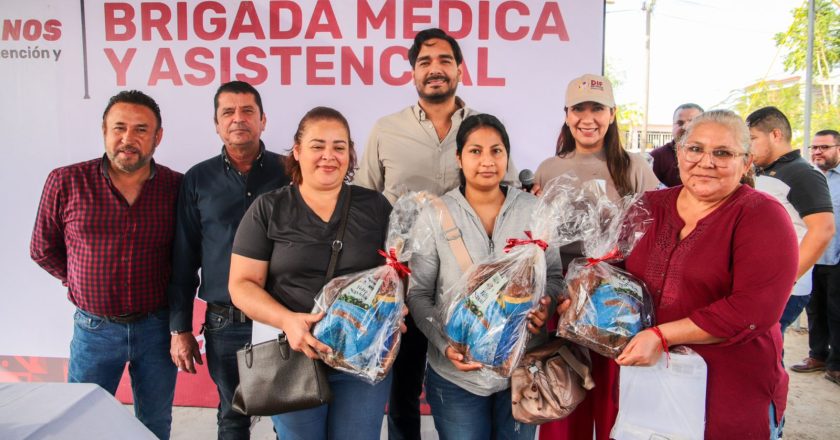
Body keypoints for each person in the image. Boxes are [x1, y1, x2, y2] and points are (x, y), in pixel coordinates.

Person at [355, 27, 517, 439]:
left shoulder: (482, 133)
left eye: (445, 60)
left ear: (460, 69)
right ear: (412, 73)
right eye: (425, 62)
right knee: (404, 388)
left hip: (474, 289)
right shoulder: (386, 130)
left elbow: (507, 197)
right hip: (405, 285)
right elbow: (361, 202)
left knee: (472, 375)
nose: (435, 69)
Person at [615, 109, 797, 438]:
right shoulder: (647, 206)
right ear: (679, 153)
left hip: (731, 392)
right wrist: (584, 297)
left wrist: (662, 335)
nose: (706, 161)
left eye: (723, 153)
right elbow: (616, 271)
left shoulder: (763, 215)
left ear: (746, 163)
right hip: (650, 384)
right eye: (695, 149)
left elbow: (754, 309)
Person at [228, 107, 394, 439]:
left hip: (361, 356)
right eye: (318, 146)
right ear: (298, 151)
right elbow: (241, 285)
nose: (329, 156)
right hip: (293, 356)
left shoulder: (375, 206)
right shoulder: (269, 208)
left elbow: (395, 274)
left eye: (339, 146)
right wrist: (288, 321)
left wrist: (394, 307)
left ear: (350, 153)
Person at [30, 90, 182, 439]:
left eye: (141, 130)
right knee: (79, 425)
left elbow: (185, 256)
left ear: (157, 137)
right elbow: (42, 248)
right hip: (94, 331)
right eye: (119, 128)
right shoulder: (65, 182)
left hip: (156, 331)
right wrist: (79, 279)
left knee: (154, 425)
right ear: (104, 130)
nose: (128, 139)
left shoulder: (176, 186)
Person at [407, 113, 560, 439]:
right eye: (475, 151)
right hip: (457, 376)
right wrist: (444, 342)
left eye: (496, 151)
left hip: (521, 371)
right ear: (459, 158)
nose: (487, 161)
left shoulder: (534, 210)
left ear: (507, 156)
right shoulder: (435, 214)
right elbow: (418, 294)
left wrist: (546, 305)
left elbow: (556, 276)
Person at [533, 73, 659, 440]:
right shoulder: (548, 168)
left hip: (613, 307)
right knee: (563, 402)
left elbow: (652, 232)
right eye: (579, 109)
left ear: (613, 113)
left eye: (597, 109)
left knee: (612, 407)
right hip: (563, 302)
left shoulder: (634, 167)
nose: (588, 118)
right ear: (567, 114)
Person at [167, 81, 289, 439]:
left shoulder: (291, 172)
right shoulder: (197, 179)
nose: (239, 119)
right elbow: (184, 258)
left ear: (263, 120)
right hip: (225, 322)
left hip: (281, 318)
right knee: (233, 416)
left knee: (290, 415)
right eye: (228, 112)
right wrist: (180, 328)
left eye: (248, 111)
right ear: (217, 124)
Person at [746, 106, 835, 336]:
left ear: (775, 135)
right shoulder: (763, 171)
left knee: (765, 350)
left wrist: (787, 280)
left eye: (753, 139)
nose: (748, 147)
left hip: (784, 290)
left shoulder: (803, 173)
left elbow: (823, 230)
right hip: (760, 285)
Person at [794, 129, 840, 384]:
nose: (817, 152)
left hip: (837, 257)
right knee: (815, 310)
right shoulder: (809, 177)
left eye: (824, 147)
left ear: (838, 149)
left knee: (837, 312)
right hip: (812, 257)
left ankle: (837, 364)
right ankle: (818, 355)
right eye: (814, 147)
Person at [649, 103, 704, 187]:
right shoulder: (657, 156)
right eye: (680, 123)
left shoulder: (715, 154)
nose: (685, 127)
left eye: (692, 122)